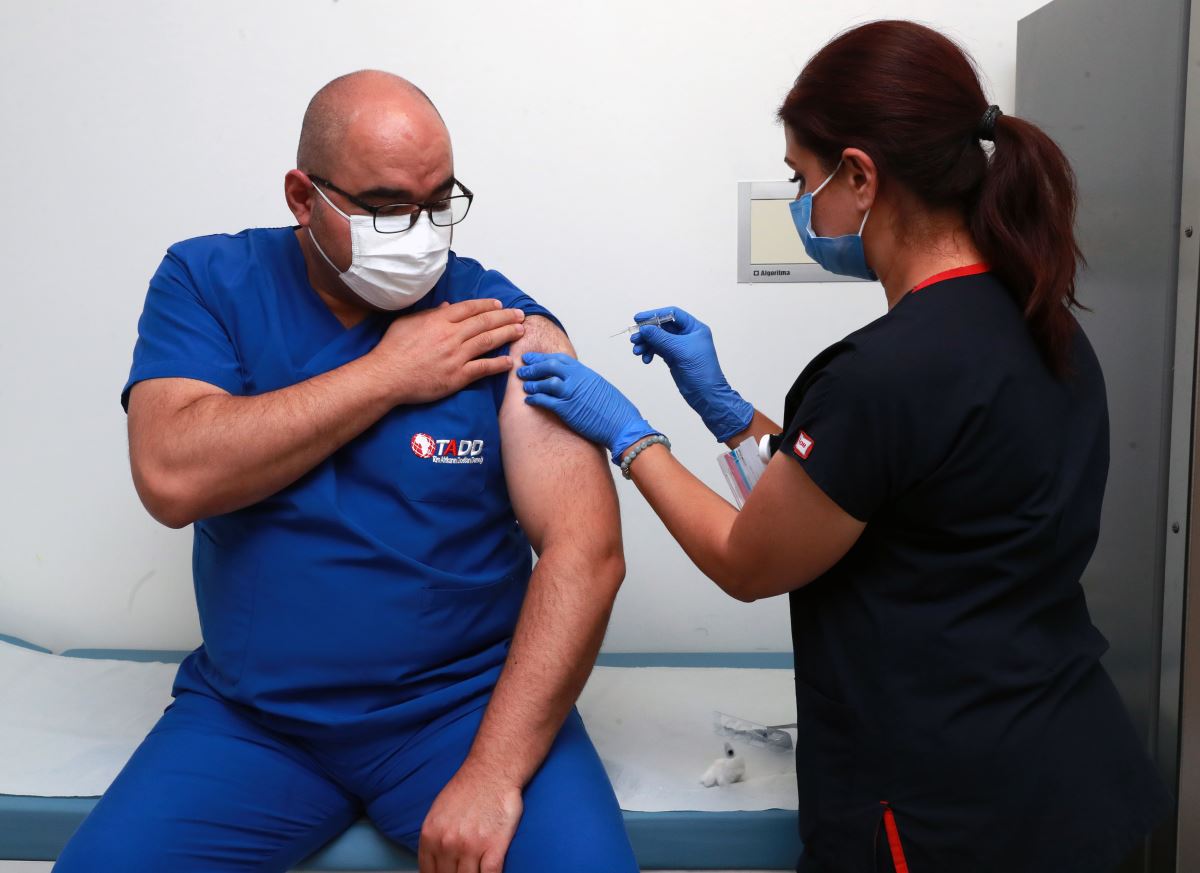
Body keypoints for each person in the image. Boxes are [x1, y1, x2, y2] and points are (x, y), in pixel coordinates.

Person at [516, 20, 1172, 873]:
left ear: (860, 175)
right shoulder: (1038, 319)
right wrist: (729, 412)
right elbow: (869, 487)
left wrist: (632, 436)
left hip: (947, 810)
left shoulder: (884, 372)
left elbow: (749, 561)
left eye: (801, 178)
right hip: (1069, 766)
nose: (799, 205)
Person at [54, 70, 638, 873]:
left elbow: (586, 550)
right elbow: (171, 476)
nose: (421, 233)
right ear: (304, 197)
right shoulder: (208, 281)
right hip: (255, 723)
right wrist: (387, 375)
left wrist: (493, 774)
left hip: (463, 713)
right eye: (389, 207)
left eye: (439, 202)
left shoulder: (502, 325)